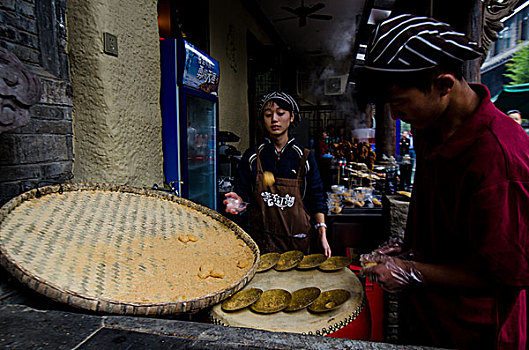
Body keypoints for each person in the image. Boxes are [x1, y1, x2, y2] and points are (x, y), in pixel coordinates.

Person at [359, 14, 529, 349]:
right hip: (425, 319)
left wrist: (410, 269)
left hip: (474, 332)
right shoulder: (429, 128)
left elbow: (506, 274)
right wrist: (411, 251)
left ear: (444, 85)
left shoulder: (500, 159)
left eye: (399, 102)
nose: (394, 115)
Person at [224, 92, 331, 257]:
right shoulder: (253, 156)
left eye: (280, 113)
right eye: (268, 115)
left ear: (292, 117)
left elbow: (317, 198)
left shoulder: (304, 156)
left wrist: (322, 232)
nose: (274, 119)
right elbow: (241, 192)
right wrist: (237, 201)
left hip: (297, 241)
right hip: (262, 242)